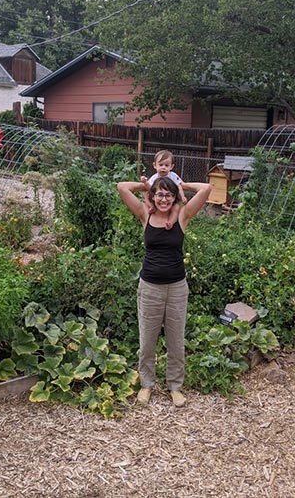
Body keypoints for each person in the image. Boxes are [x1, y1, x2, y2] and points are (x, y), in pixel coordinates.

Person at [117, 175, 211, 407]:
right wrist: (146, 186)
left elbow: (207, 187)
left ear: (173, 197)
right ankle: (147, 384)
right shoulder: (144, 215)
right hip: (149, 288)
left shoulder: (181, 216)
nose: (164, 199)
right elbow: (122, 187)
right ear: (153, 197)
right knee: (147, 340)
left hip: (177, 288)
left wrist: (183, 187)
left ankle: (175, 387)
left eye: (168, 194)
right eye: (159, 194)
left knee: (176, 340)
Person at [141, 150, 187, 230]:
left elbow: (179, 186)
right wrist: (145, 182)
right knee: (145, 193)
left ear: (171, 167)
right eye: (161, 165)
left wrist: (183, 196)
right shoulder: (154, 177)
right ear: (155, 165)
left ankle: (170, 223)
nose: (163, 167)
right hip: (157, 198)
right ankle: (152, 207)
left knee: (176, 208)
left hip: (171, 199)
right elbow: (150, 188)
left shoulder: (173, 176)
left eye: (166, 165)